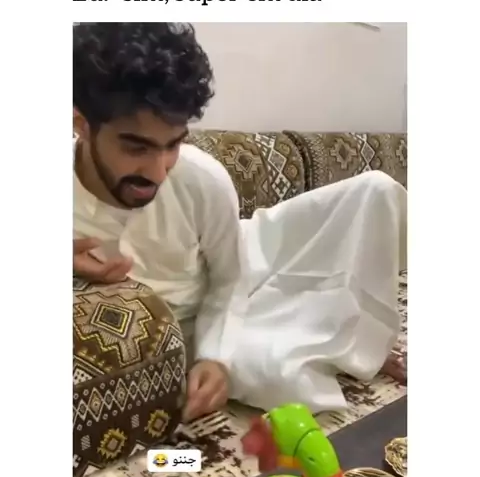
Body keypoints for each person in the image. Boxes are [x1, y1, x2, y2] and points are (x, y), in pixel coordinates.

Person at [73, 22, 407, 422]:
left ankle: (361, 334)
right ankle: (347, 338)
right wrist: (213, 357)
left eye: (174, 144)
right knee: (280, 376)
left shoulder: (202, 177)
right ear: (81, 124)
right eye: (136, 147)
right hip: (198, 317)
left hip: (250, 250)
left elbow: (231, 275)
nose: (159, 172)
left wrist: (216, 357)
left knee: (376, 192)